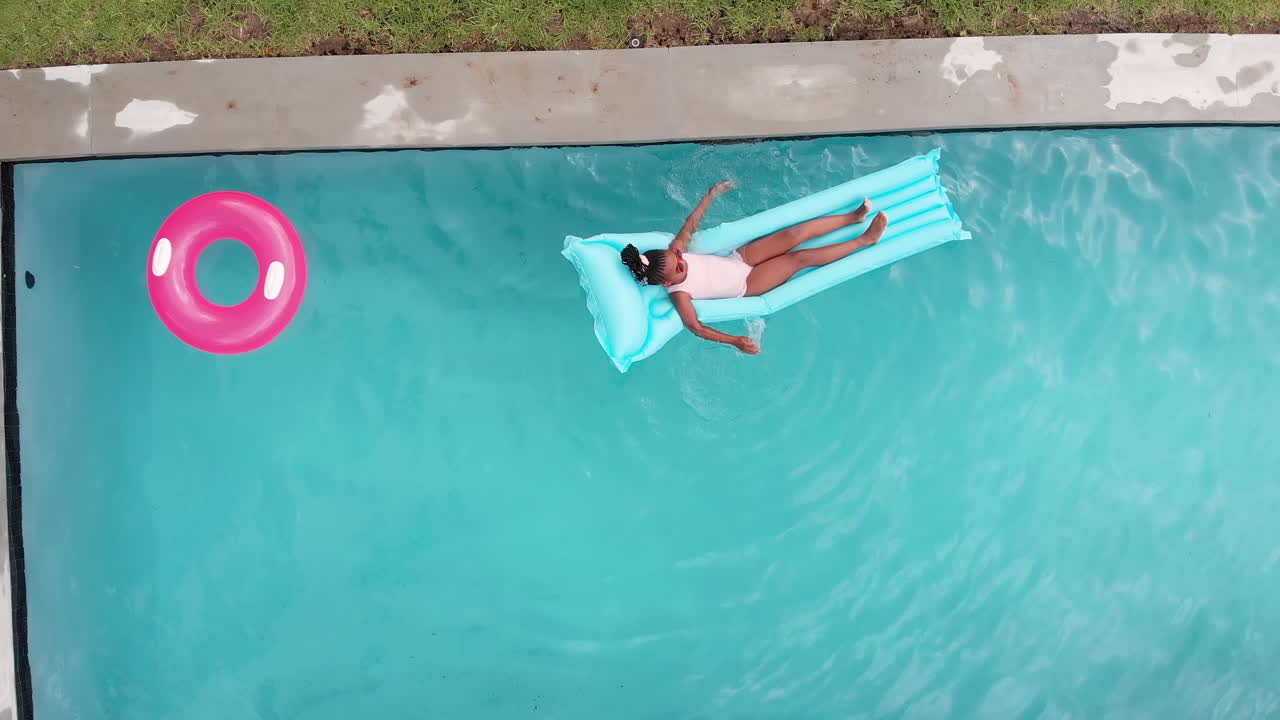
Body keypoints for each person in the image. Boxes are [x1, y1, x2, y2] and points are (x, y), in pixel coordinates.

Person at [620, 180, 888, 355]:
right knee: (799, 258)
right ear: (668, 283)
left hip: (740, 259)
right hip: (747, 284)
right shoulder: (679, 293)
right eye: (679, 268)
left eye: (678, 258)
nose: (682, 260)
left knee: (794, 235)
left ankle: (854, 217)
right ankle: (866, 239)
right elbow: (696, 328)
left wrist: (710, 195)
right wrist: (734, 341)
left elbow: (691, 223)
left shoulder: (675, 252)